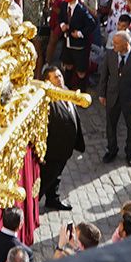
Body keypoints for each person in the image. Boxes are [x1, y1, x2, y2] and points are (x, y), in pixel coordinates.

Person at [97, 30, 131, 167]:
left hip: (130, 99)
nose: (113, 45)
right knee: (110, 125)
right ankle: (111, 150)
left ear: (126, 44)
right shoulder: (110, 54)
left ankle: (130, 152)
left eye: (117, 43)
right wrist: (102, 93)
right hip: (112, 96)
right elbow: (104, 76)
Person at [40, 67, 83, 212]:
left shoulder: (65, 90)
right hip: (53, 151)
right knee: (45, 180)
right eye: (55, 77)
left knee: (56, 177)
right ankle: (31, 210)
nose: (60, 79)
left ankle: (53, 199)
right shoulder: (47, 101)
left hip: (65, 148)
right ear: (47, 81)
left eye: (60, 76)